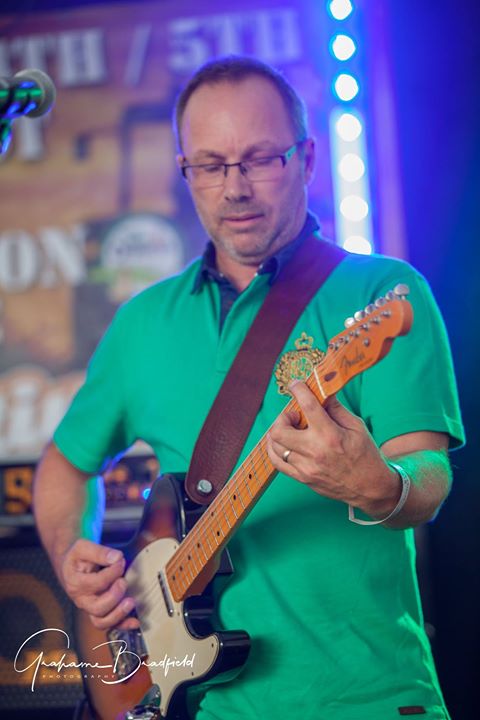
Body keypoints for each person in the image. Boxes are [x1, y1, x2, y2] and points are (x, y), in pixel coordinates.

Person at [34, 56, 464, 719]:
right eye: (209, 165)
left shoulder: (382, 291)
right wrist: (73, 558)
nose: (234, 188)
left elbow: (427, 471)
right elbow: (64, 467)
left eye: (260, 159)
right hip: (201, 705)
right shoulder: (142, 322)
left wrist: (384, 486)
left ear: (307, 159)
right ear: (185, 171)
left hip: (369, 697)